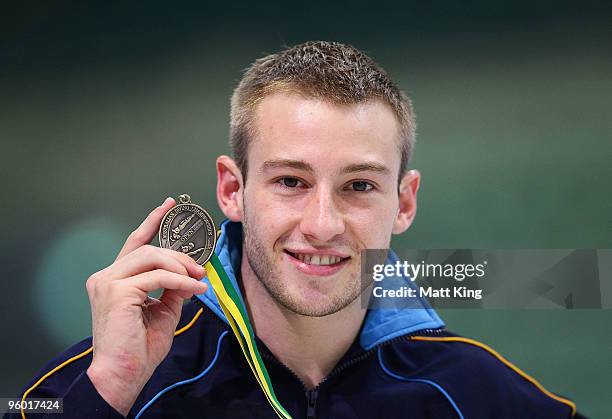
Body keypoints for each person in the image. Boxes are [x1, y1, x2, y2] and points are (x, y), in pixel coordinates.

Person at [8, 41, 582, 419]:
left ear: (404, 203)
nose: (323, 225)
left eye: (359, 186)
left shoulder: (478, 394)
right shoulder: (102, 382)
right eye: (290, 182)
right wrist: (107, 389)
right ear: (233, 191)